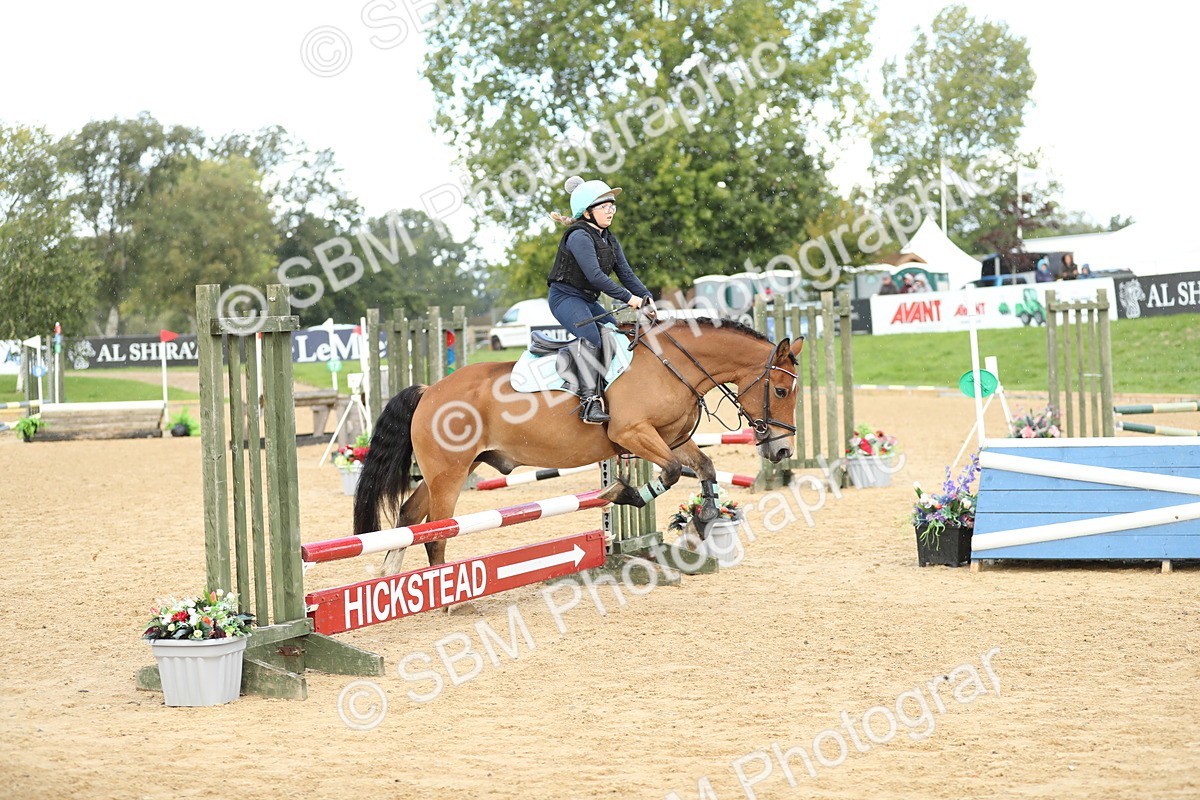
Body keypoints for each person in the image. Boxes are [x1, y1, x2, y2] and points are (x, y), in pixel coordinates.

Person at [547, 175, 653, 424]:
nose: (611, 212)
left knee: (616, 335)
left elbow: (625, 273)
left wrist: (647, 297)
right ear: (587, 213)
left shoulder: (609, 239)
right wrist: (630, 299)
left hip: (585, 299)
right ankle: (588, 402)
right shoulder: (579, 237)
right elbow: (595, 276)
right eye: (605, 207)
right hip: (565, 298)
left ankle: (614, 393)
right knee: (593, 338)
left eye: (612, 206)